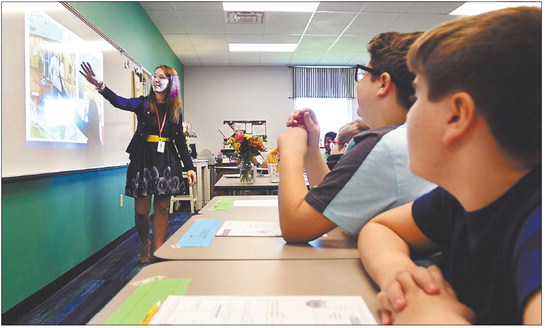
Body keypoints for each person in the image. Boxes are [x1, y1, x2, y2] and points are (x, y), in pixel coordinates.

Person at [358, 6, 541, 324]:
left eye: (418, 95)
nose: (409, 115)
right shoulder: (462, 197)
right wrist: (402, 279)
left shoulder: (536, 227)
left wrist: (434, 319)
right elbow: (380, 227)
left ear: (456, 116)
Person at [277, 31, 435, 243]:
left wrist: (291, 150)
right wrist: (312, 149)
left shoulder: (380, 145)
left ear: (383, 83)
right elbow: (336, 204)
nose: (358, 84)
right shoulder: (414, 138)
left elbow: (295, 226)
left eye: (362, 75)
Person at [80, 62, 197, 264]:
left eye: (162, 77)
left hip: (167, 162)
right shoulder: (143, 104)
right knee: (142, 211)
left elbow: (179, 141)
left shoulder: (175, 110)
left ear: (171, 83)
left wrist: (190, 168)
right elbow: (120, 102)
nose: (156, 80)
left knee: (161, 209)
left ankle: (159, 249)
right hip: (143, 160)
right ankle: (145, 242)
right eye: (155, 76)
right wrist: (100, 85)